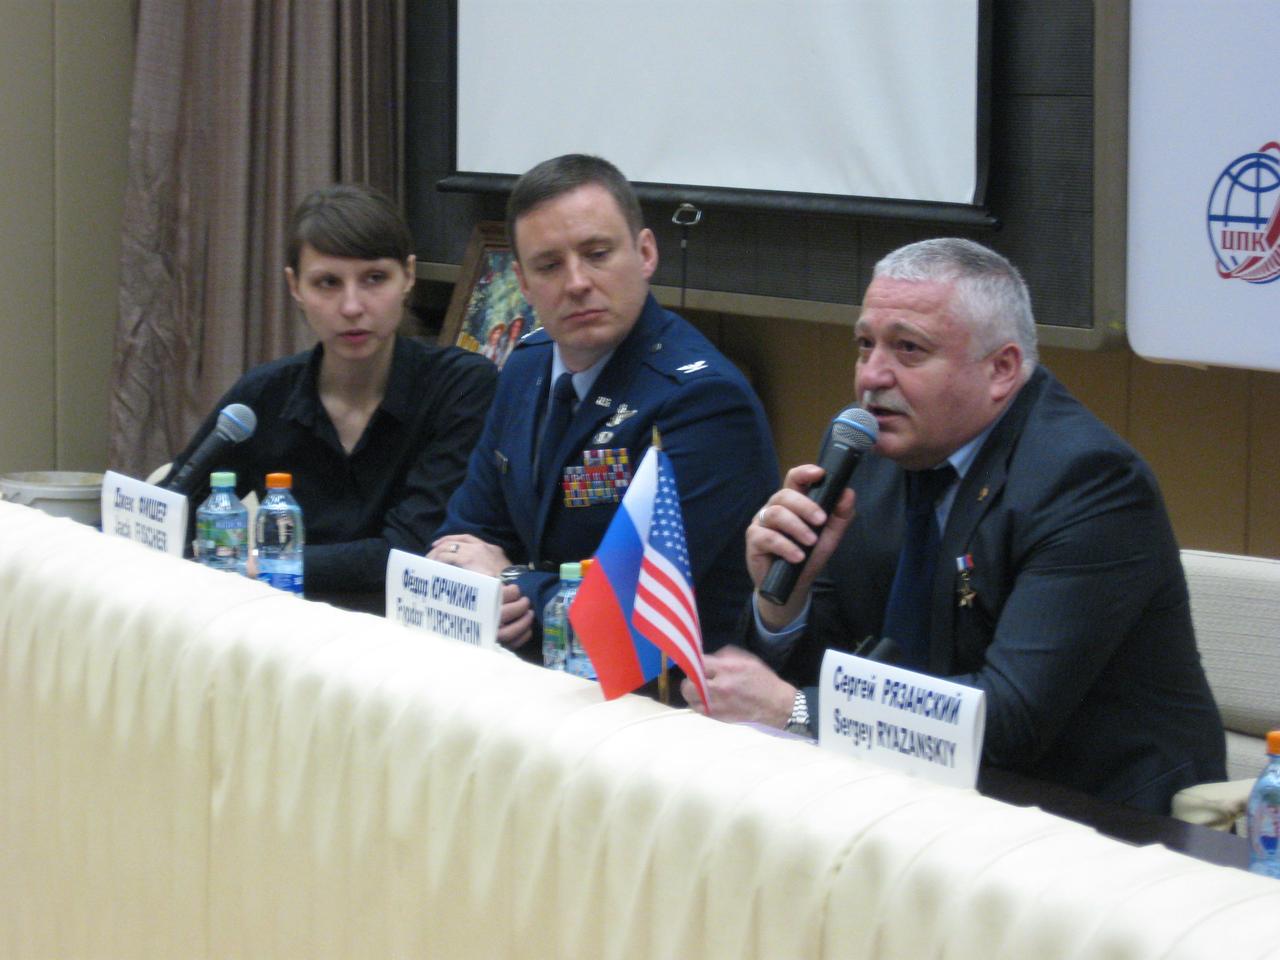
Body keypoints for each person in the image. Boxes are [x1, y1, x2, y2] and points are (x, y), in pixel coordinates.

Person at [684, 238, 1225, 814]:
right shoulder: (868, 452)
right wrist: (783, 608)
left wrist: (796, 710)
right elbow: (831, 664)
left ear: (1001, 369)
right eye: (865, 344)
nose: (871, 377)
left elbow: (1010, 722)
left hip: (1093, 818)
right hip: (914, 796)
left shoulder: (1090, 484)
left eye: (908, 350)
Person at [429, 154, 777, 657]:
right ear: (523, 283)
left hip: (663, 701)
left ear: (645, 253)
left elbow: (626, 613)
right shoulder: (526, 366)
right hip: (532, 673)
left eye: (597, 254)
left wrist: (505, 578)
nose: (576, 282)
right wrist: (477, 571)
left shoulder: (703, 401)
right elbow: (459, 540)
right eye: (549, 265)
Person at [167, 184, 497, 597]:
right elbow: (170, 513)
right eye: (327, 283)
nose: (352, 306)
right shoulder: (264, 395)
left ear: (408, 276)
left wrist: (256, 567)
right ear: (295, 287)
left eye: (374, 279)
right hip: (281, 629)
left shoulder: (461, 387)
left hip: (410, 634)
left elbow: (409, 552)